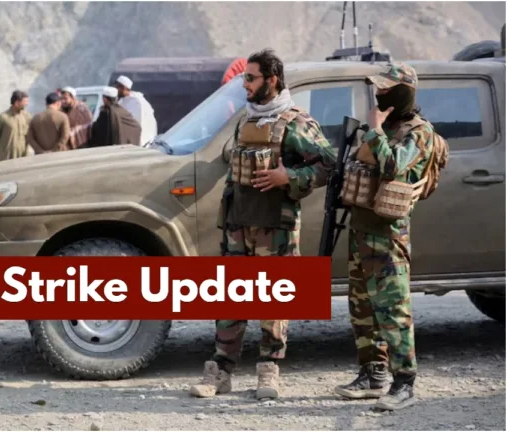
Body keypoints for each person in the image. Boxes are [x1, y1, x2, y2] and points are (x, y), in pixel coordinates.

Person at [188, 49, 336, 400]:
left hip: (275, 228)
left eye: (251, 78)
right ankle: (220, 371)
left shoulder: (296, 123)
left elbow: (328, 164)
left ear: (272, 80)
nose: (245, 85)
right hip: (239, 225)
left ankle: (269, 370)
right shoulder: (247, 119)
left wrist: (289, 177)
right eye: (245, 78)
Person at [334, 62, 437, 411]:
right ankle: (373, 374)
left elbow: (393, 166)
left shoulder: (419, 133)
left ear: (404, 92)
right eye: (377, 87)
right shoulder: (380, 128)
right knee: (362, 308)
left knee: (393, 309)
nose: (378, 93)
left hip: (388, 236)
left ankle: (405, 382)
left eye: (385, 88)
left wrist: (375, 131)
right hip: (362, 230)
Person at [113, 75, 158, 146]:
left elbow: (137, 123)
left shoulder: (137, 102)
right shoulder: (121, 100)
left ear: (124, 88)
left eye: (117, 88)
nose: (116, 90)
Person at [0, 90, 32, 160]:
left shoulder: (27, 117)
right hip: (7, 159)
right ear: (17, 103)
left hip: (23, 158)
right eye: (24, 102)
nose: (26, 104)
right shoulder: (3, 118)